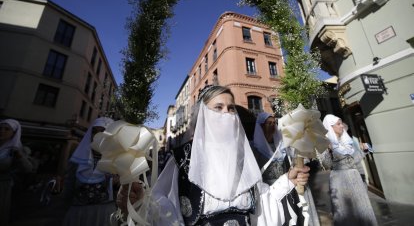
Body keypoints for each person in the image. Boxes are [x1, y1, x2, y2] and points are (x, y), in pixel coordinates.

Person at [116, 85, 310, 225]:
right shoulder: (183, 158)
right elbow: (165, 209)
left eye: (231, 108)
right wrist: (140, 203)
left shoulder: (243, 157)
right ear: (203, 115)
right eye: (218, 107)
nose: (227, 113)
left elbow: (262, 204)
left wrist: (287, 180)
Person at [322, 114, 377, 226]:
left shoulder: (346, 141)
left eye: (341, 123)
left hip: (355, 178)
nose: (342, 126)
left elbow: (355, 160)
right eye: (338, 124)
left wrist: (363, 150)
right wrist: (328, 150)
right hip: (340, 180)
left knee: (361, 208)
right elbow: (326, 164)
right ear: (330, 126)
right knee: (345, 210)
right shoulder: (325, 143)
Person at [62, 117, 117, 226]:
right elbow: (69, 187)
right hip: (78, 214)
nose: (97, 135)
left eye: (103, 131)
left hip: (104, 215)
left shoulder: (119, 162)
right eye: (94, 131)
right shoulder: (78, 159)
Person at [0, 119, 34, 225]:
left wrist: (19, 156)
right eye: (0, 128)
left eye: (6, 129)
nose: (2, 131)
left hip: (2, 187)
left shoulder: (15, 149)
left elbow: (28, 169)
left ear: (14, 133)